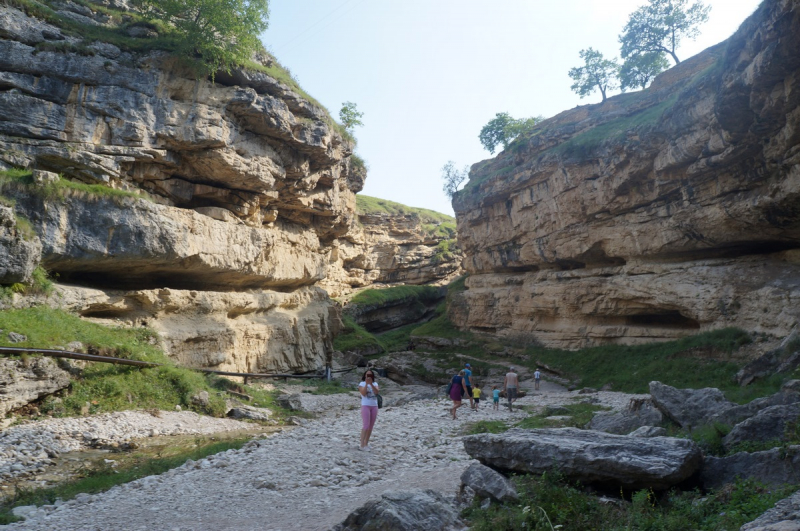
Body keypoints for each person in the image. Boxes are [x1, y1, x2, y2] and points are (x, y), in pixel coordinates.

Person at [358, 369, 380, 450]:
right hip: (365, 405)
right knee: (366, 425)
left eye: (370, 375)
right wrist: (367, 384)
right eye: (367, 375)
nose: (369, 376)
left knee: (371, 426)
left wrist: (371, 384)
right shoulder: (362, 383)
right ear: (365, 375)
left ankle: (366, 443)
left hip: (374, 406)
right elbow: (363, 393)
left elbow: (377, 392)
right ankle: (361, 445)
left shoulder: (375, 383)